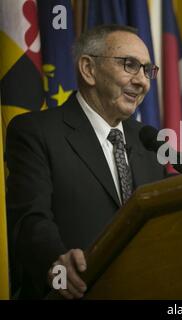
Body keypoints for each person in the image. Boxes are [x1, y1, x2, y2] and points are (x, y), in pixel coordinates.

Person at [5, 25, 167, 299]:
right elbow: (29, 218)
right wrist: (56, 264)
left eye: (147, 70)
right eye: (130, 65)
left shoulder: (149, 143)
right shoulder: (36, 131)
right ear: (88, 69)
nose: (143, 81)